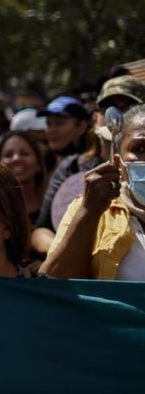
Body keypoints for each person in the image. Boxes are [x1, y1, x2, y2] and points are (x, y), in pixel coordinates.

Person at [42, 104, 145, 280]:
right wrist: (89, 212)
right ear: (118, 161)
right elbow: (56, 282)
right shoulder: (89, 208)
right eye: (140, 149)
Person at [0, 131, 48, 225]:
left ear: (39, 164)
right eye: (8, 155)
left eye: (24, 154)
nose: (16, 158)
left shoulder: (54, 206)